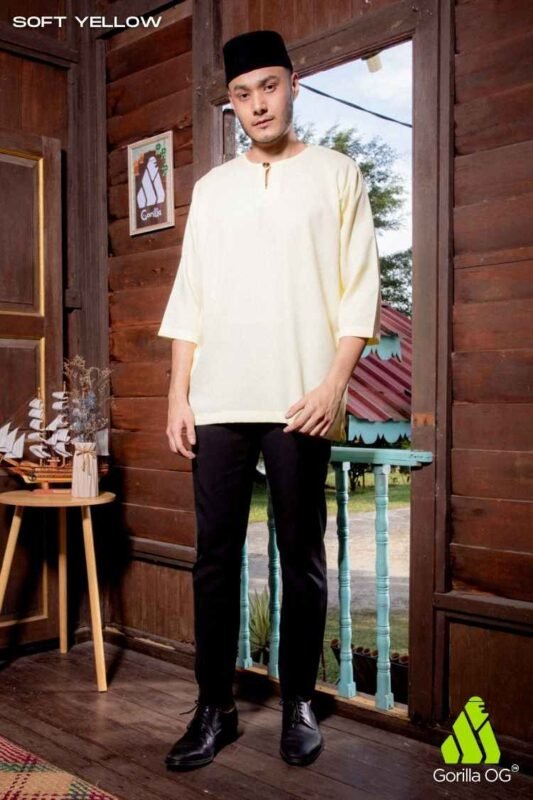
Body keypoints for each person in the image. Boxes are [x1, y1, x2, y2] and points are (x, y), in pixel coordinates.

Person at [158, 29, 381, 770]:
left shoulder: (338, 174)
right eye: (242, 94)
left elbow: (359, 291)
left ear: (293, 85)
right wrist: (178, 395)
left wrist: (333, 384)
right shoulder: (212, 189)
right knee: (213, 560)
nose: (257, 104)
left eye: (269, 86)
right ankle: (213, 709)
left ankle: (298, 705)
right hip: (218, 398)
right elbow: (190, 297)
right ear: (231, 103)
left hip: (300, 399)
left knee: (302, 556)